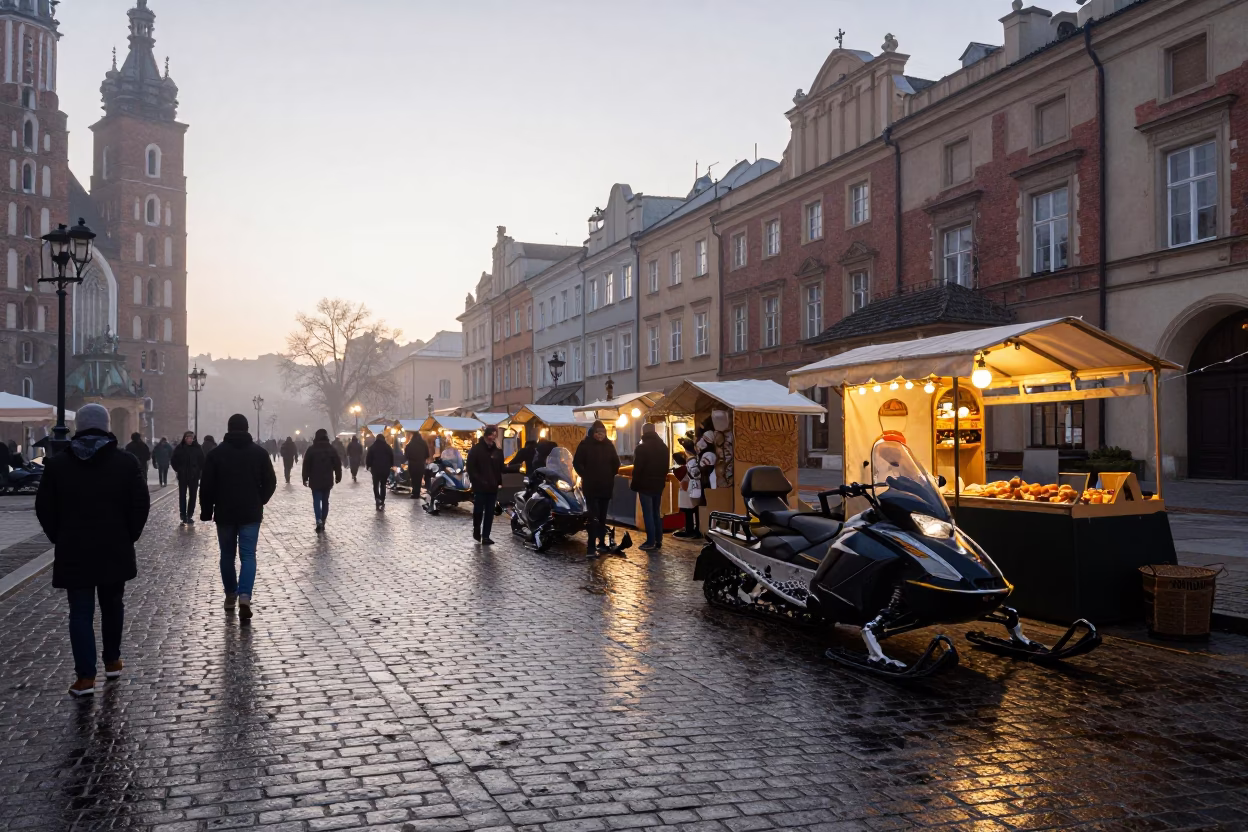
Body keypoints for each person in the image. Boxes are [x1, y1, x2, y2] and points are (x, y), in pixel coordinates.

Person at [35, 404, 150, 697]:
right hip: (114, 546)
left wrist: (58, 536)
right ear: (107, 426)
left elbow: (45, 507)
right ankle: (112, 660)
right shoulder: (126, 463)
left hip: (75, 548)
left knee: (80, 613)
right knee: (113, 606)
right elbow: (140, 504)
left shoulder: (58, 464)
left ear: (79, 428)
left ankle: (85, 677)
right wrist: (129, 535)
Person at [199, 414, 276, 621]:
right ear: (247, 428)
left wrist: (207, 511)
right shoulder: (259, 453)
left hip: (224, 512)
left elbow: (206, 486)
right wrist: (260, 500)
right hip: (250, 511)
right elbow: (271, 482)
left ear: (229, 428)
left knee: (227, 556)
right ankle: (245, 595)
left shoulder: (216, 454)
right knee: (248, 556)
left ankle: (230, 594)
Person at [573, 421, 621, 557]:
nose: (600, 435)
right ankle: (591, 546)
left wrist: (609, 475)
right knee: (593, 516)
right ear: (593, 433)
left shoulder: (609, 445)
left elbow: (616, 463)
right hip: (592, 486)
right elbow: (577, 463)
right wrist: (586, 475)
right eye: (598, 433)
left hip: (605, 486)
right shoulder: (585, 445)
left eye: (603, 433)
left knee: (602, 516)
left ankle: (601, 543)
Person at [631, 423, 670, 552]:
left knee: (648, 513)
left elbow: (638, 469)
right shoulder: (664, 447)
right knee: (656, 513)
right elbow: (666, 467)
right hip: (658, 485)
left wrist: (634, 484)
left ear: (643, 432)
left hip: (645, 484)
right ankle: (659, 540)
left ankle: (650, 541)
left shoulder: (641, 448)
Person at [466, 425, 503, 544]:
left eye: (495, 434)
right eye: (493, 434)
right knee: (478, 511)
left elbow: (500, 468)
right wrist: (477, 481)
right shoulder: (476, 449)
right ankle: (477, 529)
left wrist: (499, 481)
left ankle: (486, 536)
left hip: (492, 487)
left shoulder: (497, 451)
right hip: (480, 487)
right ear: (488, 435)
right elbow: (470, 468)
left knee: (489, 512)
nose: (494, 436)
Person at [302, 428, 342, 533]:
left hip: (315, 480)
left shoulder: (311, 449)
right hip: (327, 479)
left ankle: (318, 519)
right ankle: (323, 520)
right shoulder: (331, 449)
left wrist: (305, 478)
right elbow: (337, 463)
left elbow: (306, 465)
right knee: (325, 501)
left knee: (316, 501)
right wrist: (338, 476)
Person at [170, 431, 204, 524]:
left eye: (191, 438)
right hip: (183, 475)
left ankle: (190, 515)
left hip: (194, 475)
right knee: (182, 495)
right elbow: (173, 460)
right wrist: (178, 469)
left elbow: (202, 461)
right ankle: (183, 515)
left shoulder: (197, 448)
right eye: (188, 438)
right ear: (185, 439)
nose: (189, 440)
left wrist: (198, 471)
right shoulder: (179, 448)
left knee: (193, 496)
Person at [364, 430, 394, 510]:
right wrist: (390, 465)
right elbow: (392, 457)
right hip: (385, 469)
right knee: (383, 484)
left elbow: (368, 458)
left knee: (376, 484)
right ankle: (382, 499)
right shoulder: (387, 447)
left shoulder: (372, 447)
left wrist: (368, 465)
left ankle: (377, 498)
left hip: (375, 469)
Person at [404, 433, 430, 500]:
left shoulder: (410, 444)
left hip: (412, 464)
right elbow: (427, 454)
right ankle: (417, 493)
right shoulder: (423, 444)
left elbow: (406, 455)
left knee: (413, 478)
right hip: (420, 464)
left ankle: (414, 492)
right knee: (419, 479)